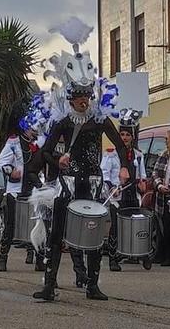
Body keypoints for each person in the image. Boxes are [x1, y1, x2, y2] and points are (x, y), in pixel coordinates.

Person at [32, 31, 124, 303]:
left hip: (93, 183)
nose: (84, 100)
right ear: (71, 98)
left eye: (87, 95)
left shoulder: (100, 119)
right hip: (68, 183)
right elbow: (45, 153)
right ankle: (49, 285)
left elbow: (120, 145)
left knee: (94, 233)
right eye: (79, 96)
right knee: (58, 233)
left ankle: (92, 285)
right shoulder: (63, 123)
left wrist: (124, 167)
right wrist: (58, 160)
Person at [101, 111, 151, 272]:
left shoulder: (138, 155)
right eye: (121, 134)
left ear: (133, 136)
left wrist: (142, 184)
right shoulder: (111, 154)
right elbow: (105, 174)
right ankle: (114, 258)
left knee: (136, 223)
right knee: (116, 227)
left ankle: (142, 254)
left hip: (131, 194)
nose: (124, 137)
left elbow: (142, 175)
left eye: (127, 134)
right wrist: (111, 188)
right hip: (117, 195)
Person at [0, 116, 43, 272]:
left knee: (38, 224)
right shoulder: (14, 142)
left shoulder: (39, 143)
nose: (34, 131)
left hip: (34, 189)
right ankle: (2, 258)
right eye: (31, 128)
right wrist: (11, 171)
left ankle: (37, 258)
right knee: (10, 225)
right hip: (15, 190)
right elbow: (0, 163)